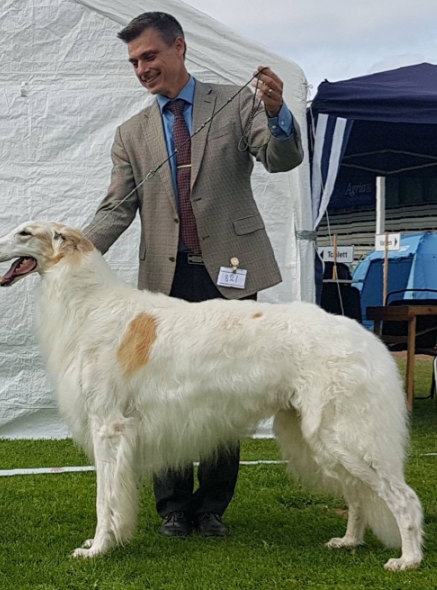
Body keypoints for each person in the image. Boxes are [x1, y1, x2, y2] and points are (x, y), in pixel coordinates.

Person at [84, 12, 303, 538]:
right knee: (161, 395)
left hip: (232, 271)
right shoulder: (130, 133)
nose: (142, 69)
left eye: (150, 56)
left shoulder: (236, 101)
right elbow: (117, 208)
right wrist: (70, 250)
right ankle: (174, 508)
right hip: (165, 282)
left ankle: (213, 508)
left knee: (224, 391)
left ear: (179, 48)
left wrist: (278, 116)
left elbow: (280, 159)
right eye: (135, 61)